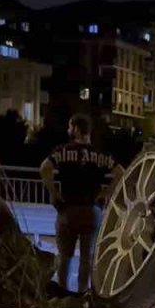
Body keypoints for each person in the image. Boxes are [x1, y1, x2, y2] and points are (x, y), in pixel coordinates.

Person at [39, 114, 118, 292]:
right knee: (86, 258)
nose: (69, 130)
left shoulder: (62, 151)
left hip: (68, 209)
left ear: (75, 129)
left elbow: (44, 168)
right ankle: (82, 292)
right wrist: (107, 192)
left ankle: (62, 291)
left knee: (64, 256)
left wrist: (54, 192)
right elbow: (120, 172)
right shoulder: (100, 154)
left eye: (70, 127)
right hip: (91, 210)